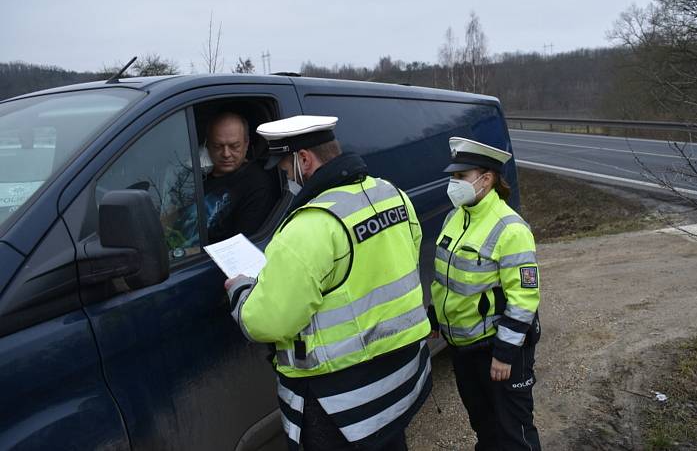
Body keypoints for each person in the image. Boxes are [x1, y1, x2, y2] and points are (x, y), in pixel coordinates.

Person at [224, 115, 432, 451]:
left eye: (286, 169)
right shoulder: (392, 194)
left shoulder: (309, 226)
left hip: (340, 407)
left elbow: (266, 322)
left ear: (304, 159)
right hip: (397, 385)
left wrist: (241, 291)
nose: (287, 177)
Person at [429, 136, 542, 451]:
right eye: (453, 176)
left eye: (460, 176)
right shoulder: (455, 218)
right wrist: (435, 316)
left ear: (486, 179)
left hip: (499, 348)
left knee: (514, 434)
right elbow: (444, 277)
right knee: (485, 426)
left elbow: (524, 298)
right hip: (463, 347)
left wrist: (505, 353)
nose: (454, 183)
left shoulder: (511, 229)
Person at [203, 111, 276, 242]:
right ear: (207, 145)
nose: (226, 154)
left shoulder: (256, 184)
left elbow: (242, 244)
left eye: (234, 146)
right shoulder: (194, 178)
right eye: (218, 146)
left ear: (246, 144)